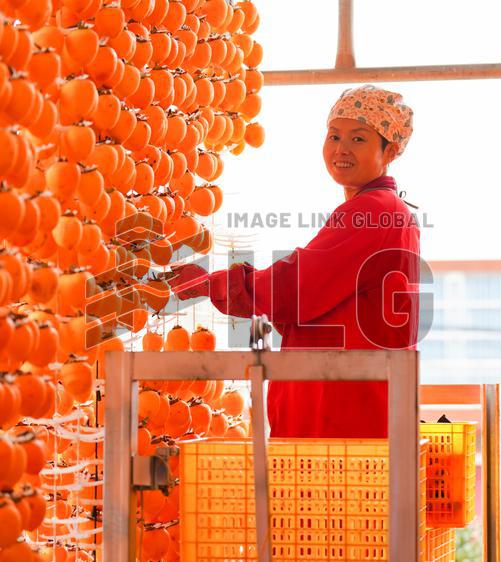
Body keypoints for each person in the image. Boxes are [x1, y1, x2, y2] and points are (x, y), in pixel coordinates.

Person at [166, 85, 420, 439]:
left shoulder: (375, 212)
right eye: (334, 136)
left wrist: (212, 285)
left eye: (359, 139)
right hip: (348, 406)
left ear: (389, 150)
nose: (341, 149)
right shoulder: (384, 212)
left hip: (341, 415)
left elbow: (298, 284)